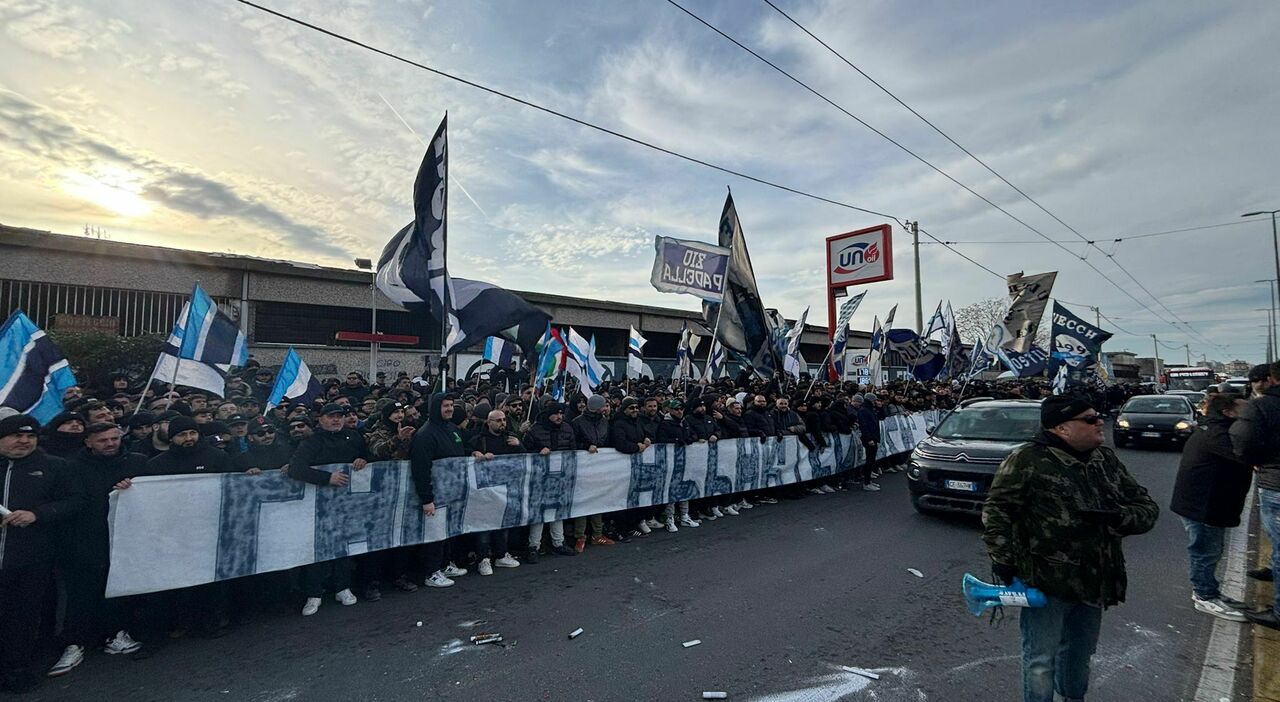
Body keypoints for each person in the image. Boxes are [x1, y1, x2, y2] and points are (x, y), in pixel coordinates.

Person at [982, 395, 1158, 702]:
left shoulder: (1105, 459)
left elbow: (1145, 505)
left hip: (1095, 578)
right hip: (1046, 579)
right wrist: (1003, 559)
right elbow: (998, 510)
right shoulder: (1027, 460)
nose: (1100, 421)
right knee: (1040, 659)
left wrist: (1121, 518)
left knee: (1080, 653)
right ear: (1063, 428)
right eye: (1089, 419)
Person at [50, 423, 147, 678]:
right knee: (80, 594)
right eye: (103, 440)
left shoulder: (137, 461)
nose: (110, 444)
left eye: (114, 438)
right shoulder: (70, 467)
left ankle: (115, 634)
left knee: (116, 588)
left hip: (125, 537)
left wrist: (134, 487)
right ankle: (74, 643)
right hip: (84, 539)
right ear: (89, 442)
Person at [0, 415, 86, 693]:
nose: (24, 442)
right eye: (16, 436)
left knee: (22, 617)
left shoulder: (54, 466)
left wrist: (37, 514)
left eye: (31, 437)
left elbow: (75, 500)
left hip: (31, 559)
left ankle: (17, 669)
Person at [1168, 392, 1251, 622]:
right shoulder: (1218, 435)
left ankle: (1210, 591)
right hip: (1203, 505)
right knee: (1205, 552)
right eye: (1245, 408)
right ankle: (1204, 595)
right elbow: (1246, 456)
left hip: (1207, 503)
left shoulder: (1215, 429)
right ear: (1228, 412)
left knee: (1210, 551)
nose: (1250, 412)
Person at [287, 404, 370, 615]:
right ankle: (314, 593)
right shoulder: (312, 442)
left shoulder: (354, 437)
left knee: (344, 545)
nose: (336, 420)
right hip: (317, 504)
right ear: (321, 419)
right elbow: (296, 468)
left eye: (339, 416)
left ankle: (342, 587)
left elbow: (368, 457)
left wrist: (363, 459)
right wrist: (326, 478)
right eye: (331, 416)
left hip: (347, 504)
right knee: (318, 547)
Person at [1230, 361, 1280, 627]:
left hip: (1275, 481)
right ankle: (1273, 571)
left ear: (1270, 379)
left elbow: (1243, 439)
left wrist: (1255, 461)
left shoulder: (1261, 406)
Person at [409, 393, 470, 588]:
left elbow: (462, 452)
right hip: (435, 493)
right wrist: (427, 498)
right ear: (436, 408)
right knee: (434, 534)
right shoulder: (425, 434)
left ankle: (444, 564)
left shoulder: (452, 429)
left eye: (452, 405)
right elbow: (420, 469)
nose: (450, 409)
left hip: (452, 492)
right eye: (445, 406)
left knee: (448, 532)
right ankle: (431, 572)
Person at [467, 410, 524, 574]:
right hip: (485, 490)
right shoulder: (479, 439)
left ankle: (501, 554)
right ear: (489, 422)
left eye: (504, 420)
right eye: (498, 420)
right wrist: (474, 453)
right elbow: (464, 453)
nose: (502, 423)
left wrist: (519, 445)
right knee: (485, 525)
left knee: (502, 523)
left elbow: (526, 457)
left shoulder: (510, 438)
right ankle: (483, 559)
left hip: (505, 488)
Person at [522, 402, 579, 559]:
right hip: (540, 477)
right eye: (556, 414)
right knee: (539, 512)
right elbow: (524, 451)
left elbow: (572, 450)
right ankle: (534, 546)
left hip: (560, 477)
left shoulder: (567, 428)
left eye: (561, 413)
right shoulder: (535, 429)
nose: (559, 417)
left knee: (557, 509)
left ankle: (558, 543)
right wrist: (537, 451)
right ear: (548, 415)